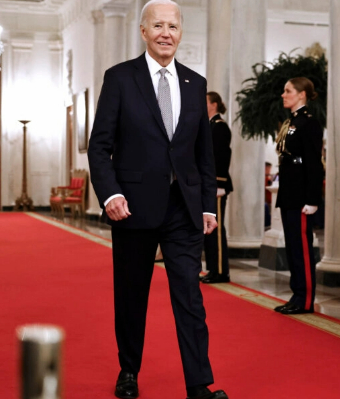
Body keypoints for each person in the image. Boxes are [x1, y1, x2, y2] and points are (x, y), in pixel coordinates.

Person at [87, 1, 228, 398]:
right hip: (132, 206)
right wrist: (111, 192)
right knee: (132, 294)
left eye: (173, 26)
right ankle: (129, 371)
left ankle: (199, 384)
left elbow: (203, 154)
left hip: (183, 209)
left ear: (181, 32)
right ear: (144, 31)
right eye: (158, 25)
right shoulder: (119, 79)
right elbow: (99, 146)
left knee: (189, 295)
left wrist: (205, 204)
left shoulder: (195, 83)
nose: (166, 33)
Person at [272, 77, 324, 315]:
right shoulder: (290, 122)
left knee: (302, 248)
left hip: (302, 195)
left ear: (302, 95)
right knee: (293, 246)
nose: (284, 95)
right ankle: (296, 294)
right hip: (290, 192)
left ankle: (305, 299)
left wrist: (312, 199)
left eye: (288, 91)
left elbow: (314, 164)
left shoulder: (310, 124)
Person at [201, 92, 233, 284]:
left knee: (217, 229)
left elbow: (222, 157)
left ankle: (221, 271)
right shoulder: (209, 126)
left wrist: (219, 183)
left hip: (217, 186)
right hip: (208, 185)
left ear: (213, 104)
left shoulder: (220, 127)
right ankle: (213, 268)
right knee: (208, 230)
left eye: (204, 102)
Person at [264, 162, 273, 229]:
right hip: (267, 200)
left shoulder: (267, 177)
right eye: (268, 168)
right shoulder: (265, 178)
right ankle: (268, 225)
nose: (269, 170)